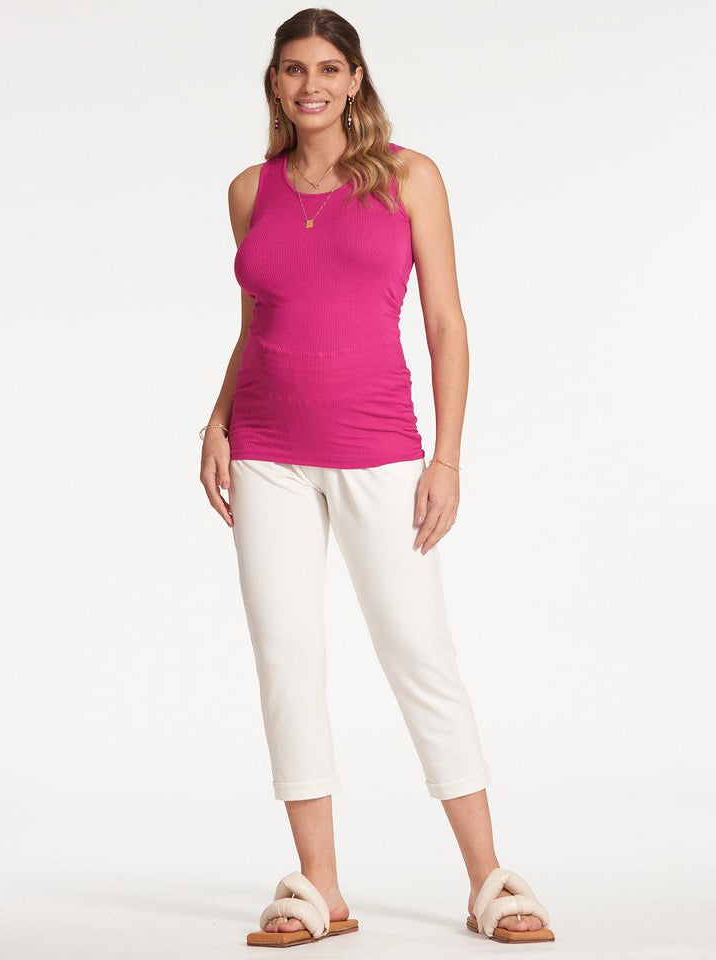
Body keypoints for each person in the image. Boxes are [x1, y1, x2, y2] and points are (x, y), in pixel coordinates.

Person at [200, 8, 554, 948]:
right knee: (287, 659)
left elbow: (445, 323)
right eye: (292, 69)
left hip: (380, 448)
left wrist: (447, 457)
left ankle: (489, 878)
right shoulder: (250, 190)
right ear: (274, 84)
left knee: (418, 652)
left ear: (355, 78)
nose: (309, 84)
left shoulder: (409, 176)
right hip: (267, 451)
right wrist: (217, 421)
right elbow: (258, 322)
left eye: (327, 68)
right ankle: (319, 887)